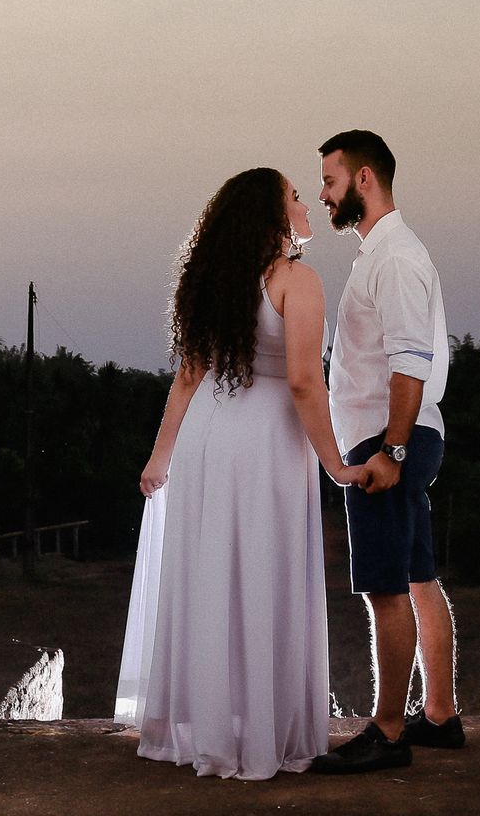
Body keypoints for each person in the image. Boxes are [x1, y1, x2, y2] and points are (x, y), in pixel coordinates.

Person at [115, 167, 370, 780]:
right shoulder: (298, 281)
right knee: (264, 569)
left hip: (209, 432)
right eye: (294, 196)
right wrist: (336, 463)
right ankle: (262, 734)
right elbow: (307, 382)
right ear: (273, 217)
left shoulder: (220, 283)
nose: (306, 203)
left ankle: (211, 729)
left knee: (213, 573)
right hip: (266, 440)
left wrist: (160, 457)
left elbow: (188, 377)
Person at [308, 130, 461, 775]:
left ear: (364, 178)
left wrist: (391, 452)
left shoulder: (393, 258)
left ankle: (389, 731)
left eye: (331, 181)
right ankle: (440, 717)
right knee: (419, 579)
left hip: (386, 443)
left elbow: (408, 363)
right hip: (395, 438)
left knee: (386, 591)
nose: (323, 194)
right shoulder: (385, 253)